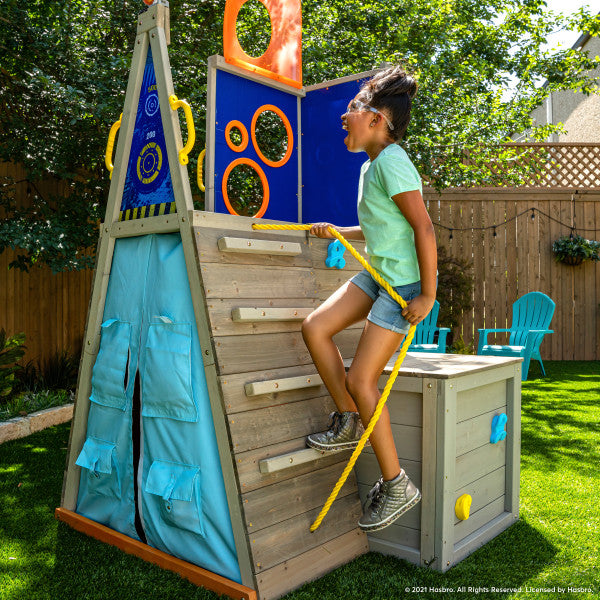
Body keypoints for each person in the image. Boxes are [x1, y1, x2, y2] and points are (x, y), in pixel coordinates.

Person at [301, 65, 437, 532]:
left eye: (352, 109)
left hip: (400, 289)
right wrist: (339, 230)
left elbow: (423, 227)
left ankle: (397, 482)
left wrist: (427, 294)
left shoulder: (394, 162)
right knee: (315, 328)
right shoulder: (372, 165)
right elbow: (384, 228)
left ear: (377, 118)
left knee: (363, 381)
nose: (345, 116)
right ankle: (346, 420)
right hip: (377, 275)